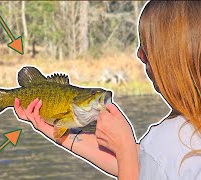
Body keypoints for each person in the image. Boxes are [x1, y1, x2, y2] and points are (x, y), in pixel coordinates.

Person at [14, 1, 201, 179]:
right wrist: (63, 134)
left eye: (147, 45)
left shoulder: (169, 138)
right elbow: (143, 162)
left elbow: (141, 163)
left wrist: (124, 146)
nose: (139, 54)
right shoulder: (182, 137)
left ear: (171, 59)